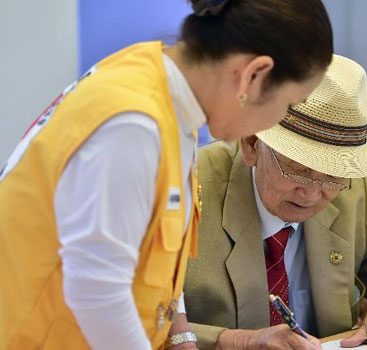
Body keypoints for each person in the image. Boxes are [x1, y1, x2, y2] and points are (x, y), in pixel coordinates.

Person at [0, 1, 332, 349]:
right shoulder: (134, 124)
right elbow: (96, 288)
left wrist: (180, 336)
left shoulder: (167, 98)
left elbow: (155, 261)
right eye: (289, 104)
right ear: (253, 75)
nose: (276, 121)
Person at [183, 54, 367, 350]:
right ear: (252, 144)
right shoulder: (187, 190)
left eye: (333, 176)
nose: (314, 193)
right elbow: (136, 318)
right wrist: (236, 342)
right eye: (298, 169)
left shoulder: (352, 190)